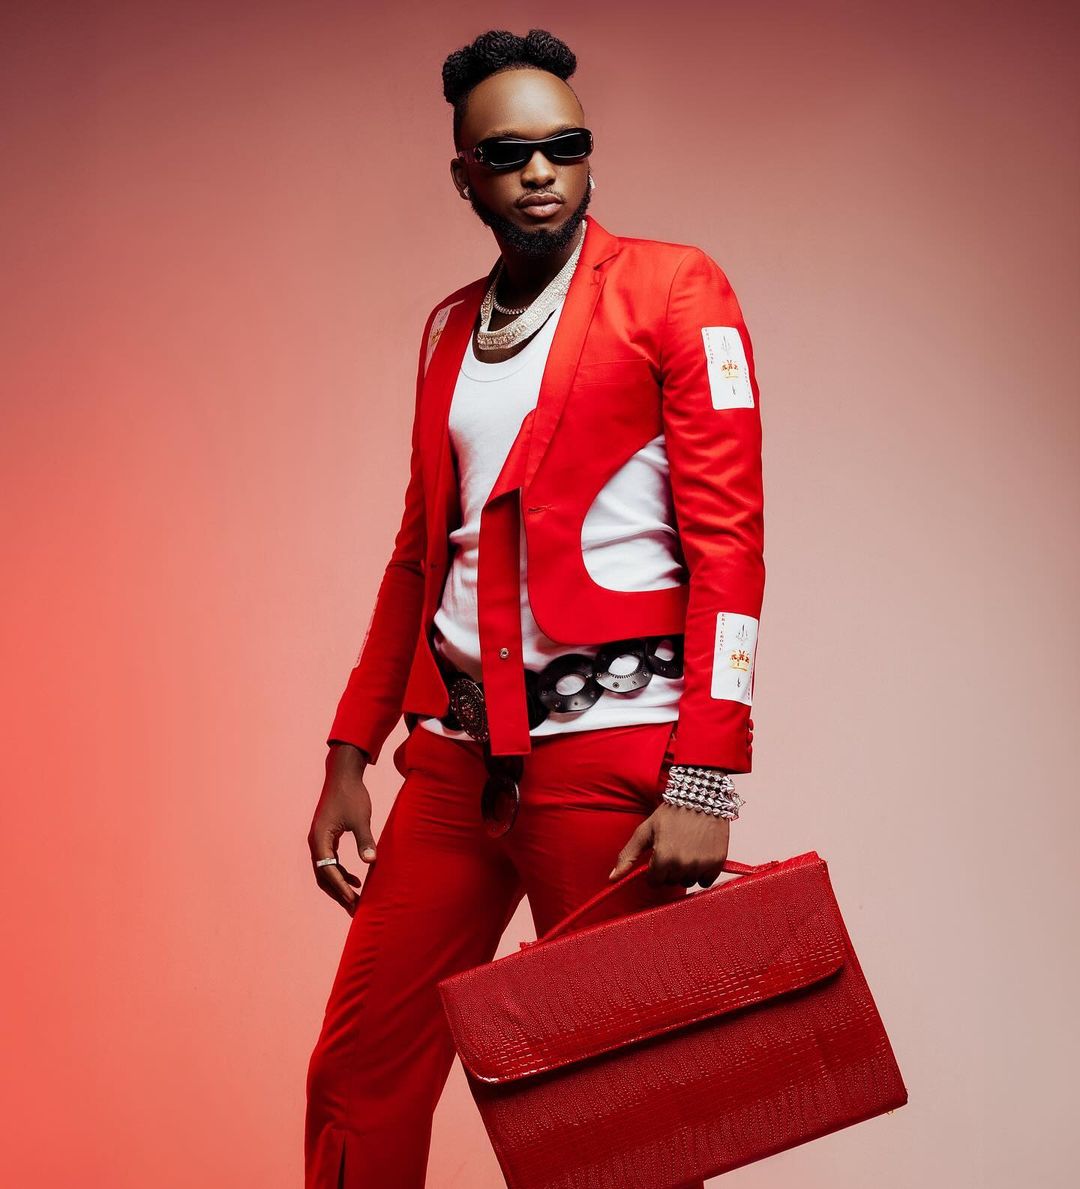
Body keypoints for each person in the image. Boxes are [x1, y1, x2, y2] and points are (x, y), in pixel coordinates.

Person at [304, 27, 765, 1189]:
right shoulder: (447, 328)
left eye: (567, 145)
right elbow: (419, 556)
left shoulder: (676, 290)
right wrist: (350, 750)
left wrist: (705, 776)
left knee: (616, 1117)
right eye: (508, 155)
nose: (543, 173)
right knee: (356, 1078)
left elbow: (729, 547)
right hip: (457, 760)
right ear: (465, 175)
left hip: (610, 754)